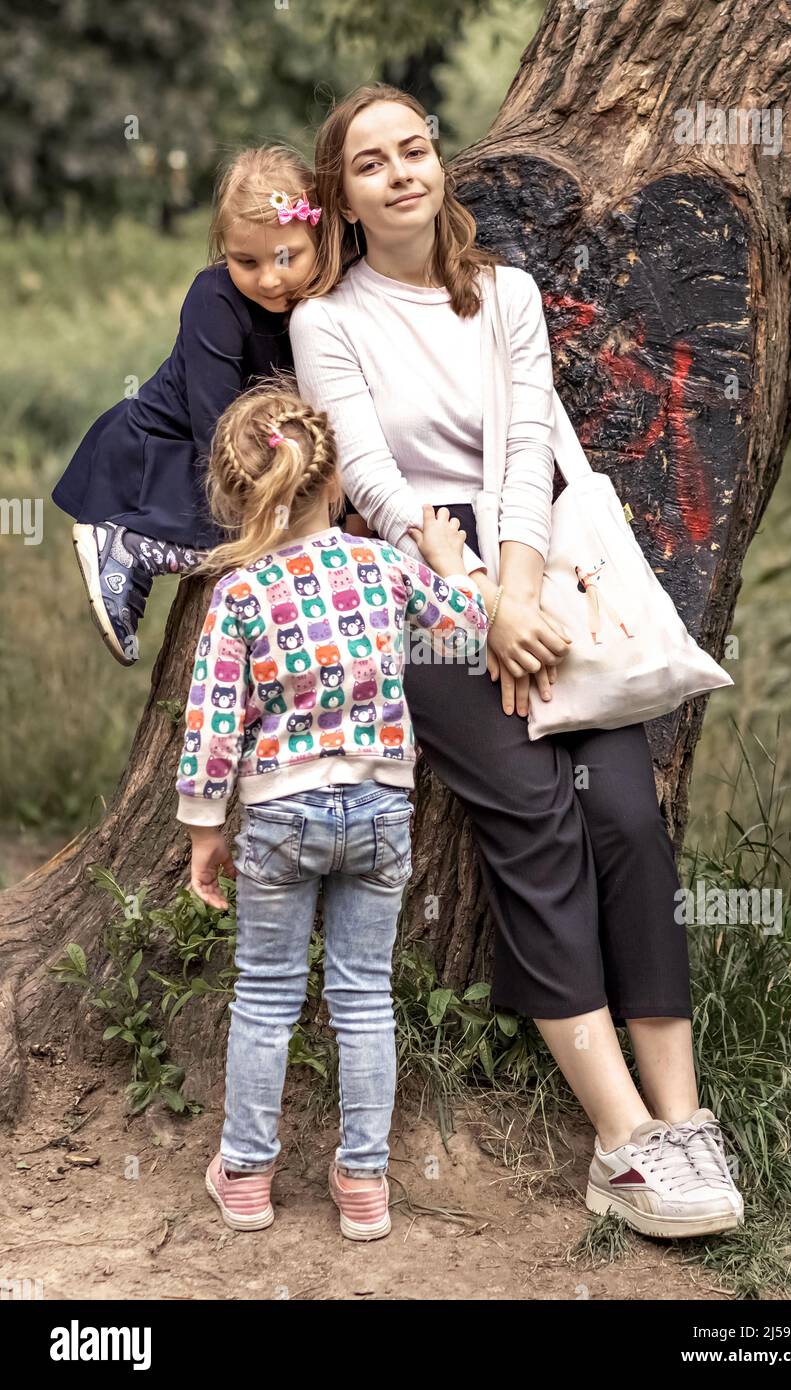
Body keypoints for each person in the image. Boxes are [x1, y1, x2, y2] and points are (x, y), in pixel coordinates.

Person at [287, 81, 744, 1239]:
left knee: (626, 820)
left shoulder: (506, 296)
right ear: (341, 198)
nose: (401, 171)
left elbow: (526, 442)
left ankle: (682, 1117)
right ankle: (623, 1142)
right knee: (537, 816)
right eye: (371, 162)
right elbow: (372, 481)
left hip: (535, 558)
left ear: (438, 167)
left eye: (415, 149)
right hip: (419, 584)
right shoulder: (327, 320)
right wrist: (476, 601)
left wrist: (520, 585)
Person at [173, 373, 489, 1239]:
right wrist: (450, 559)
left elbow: (211, 725)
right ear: (338, 480)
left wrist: (205, 832)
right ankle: (364, 1186)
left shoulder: (239, 593)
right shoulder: (383, 564)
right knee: (363, 999)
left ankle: (244, 1175)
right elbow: (463, 624)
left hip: (278, 816)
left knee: (266, 997)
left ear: (235, 500)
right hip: (383, 809)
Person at [51, 145, 323, 666]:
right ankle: (131, 543)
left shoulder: (323, 296)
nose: (269, 278)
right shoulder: (214, 298)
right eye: (247, 261)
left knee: (283, 521)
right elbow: (216, 424)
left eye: (287, 257)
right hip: (171, 446)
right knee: (257, 535)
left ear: (318, 236)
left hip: (243, 445)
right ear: (223, 249)